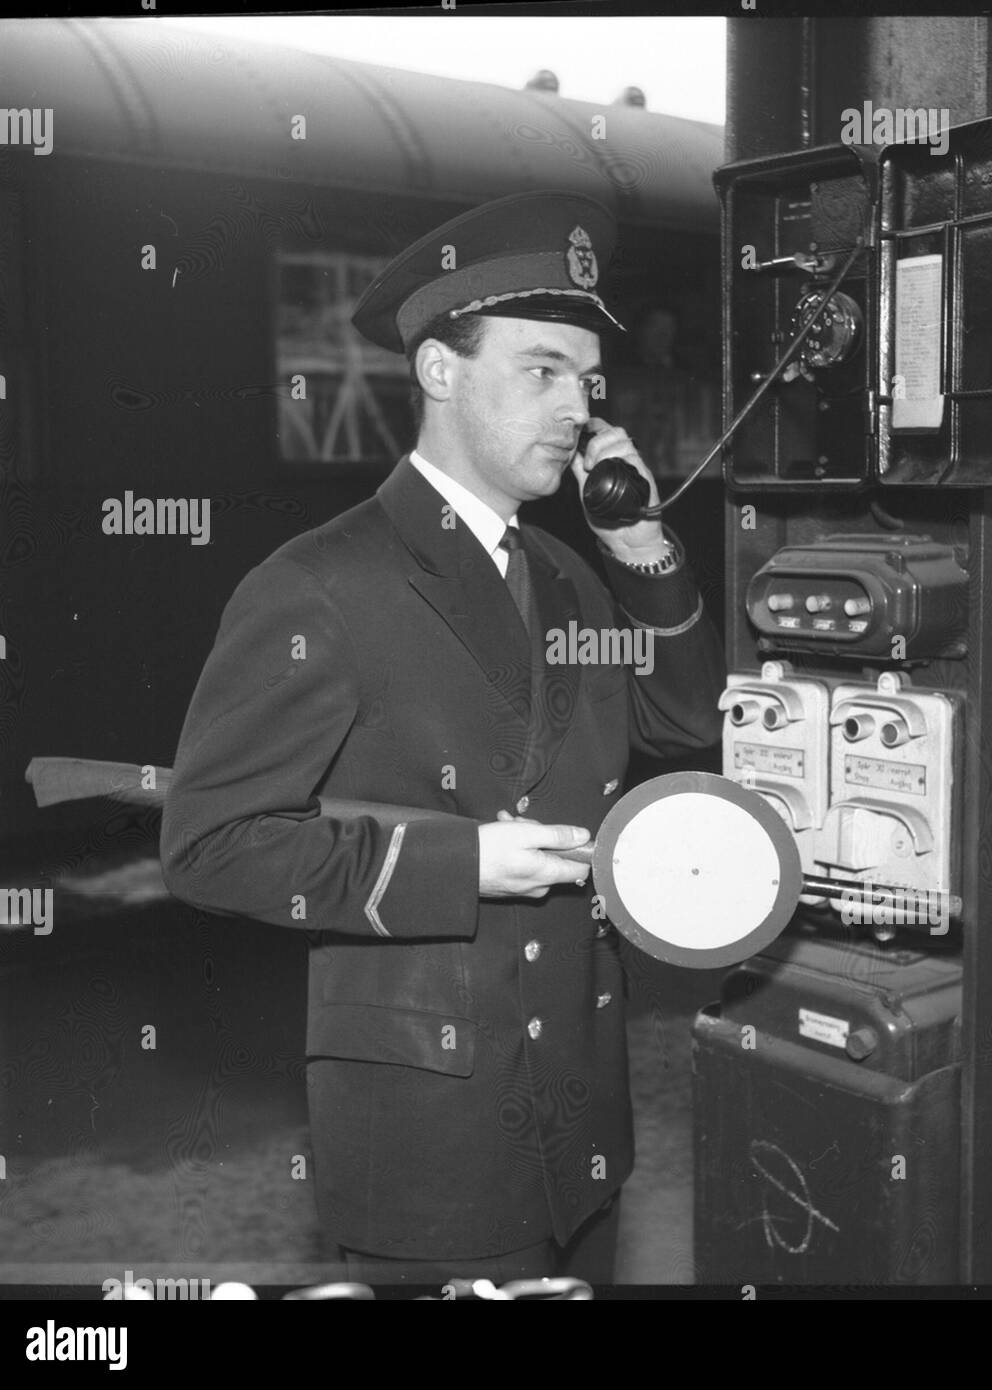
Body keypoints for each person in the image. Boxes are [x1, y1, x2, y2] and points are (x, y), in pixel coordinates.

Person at [160, 191, 725, 1286]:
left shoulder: (567, 570)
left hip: (584, 1115)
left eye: (585, 380)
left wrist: (642, 544)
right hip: (431, 1133)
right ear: (438, 371)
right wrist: (463, 862)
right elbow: (210, 844)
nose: (576, 408)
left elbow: (682, 722)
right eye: (541, 370)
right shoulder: (322, 583)